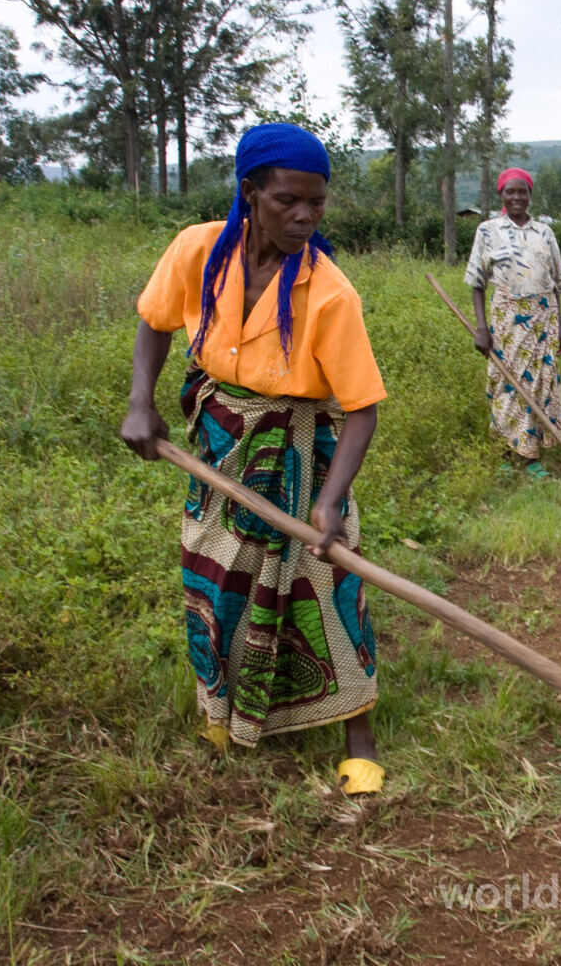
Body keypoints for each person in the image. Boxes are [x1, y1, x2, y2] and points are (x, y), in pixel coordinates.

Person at [119, 123, 389, 794]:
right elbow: (155, 322)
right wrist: (140, 402)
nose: (304, 216)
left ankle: (360, 739)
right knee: (218, 576)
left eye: (317, 203)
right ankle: (228, 709)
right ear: (250, 192)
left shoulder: (329, 293)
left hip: (303, 453)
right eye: (288, 201)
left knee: (323, 584)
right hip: (220, 441)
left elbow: (362, 409)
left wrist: (329, 502)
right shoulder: (197, 249)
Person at [465, 168, 561, 481]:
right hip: (506, 322)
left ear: (530, 195)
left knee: (539, 385)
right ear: (501, 194)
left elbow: (555, 284)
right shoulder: (487, 231)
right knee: (507, 384)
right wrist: (482, 328)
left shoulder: (544, 233)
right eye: (510, 192)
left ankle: (532, 457)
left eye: (522, 192)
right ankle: (507, 453)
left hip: (543, 319)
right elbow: (477, 283)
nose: (517, 197)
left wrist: (560, 327)